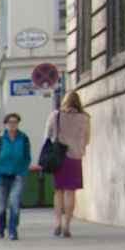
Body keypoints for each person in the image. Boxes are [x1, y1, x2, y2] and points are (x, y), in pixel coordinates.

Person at [45, 92, 92, 238]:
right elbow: (87, 138)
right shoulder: (85, 118)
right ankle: (67, 225)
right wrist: (79, 147)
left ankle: (57, 223)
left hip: (58, 157)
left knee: (58, 191)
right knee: (70, 192)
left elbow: (48, 135)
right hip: (75, 157)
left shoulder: (56, 115)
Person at [0, 112, 33, 240]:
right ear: (6, 125)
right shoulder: (0, 141)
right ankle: (1, 228)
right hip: (1, 177)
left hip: (17, 176)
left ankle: (13, 230)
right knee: (1, 205)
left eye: (15, 122)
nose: (13, 125)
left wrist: (23, 172)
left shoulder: (23, 138)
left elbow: (27, 157)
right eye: (10, 123)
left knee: (14, 202)